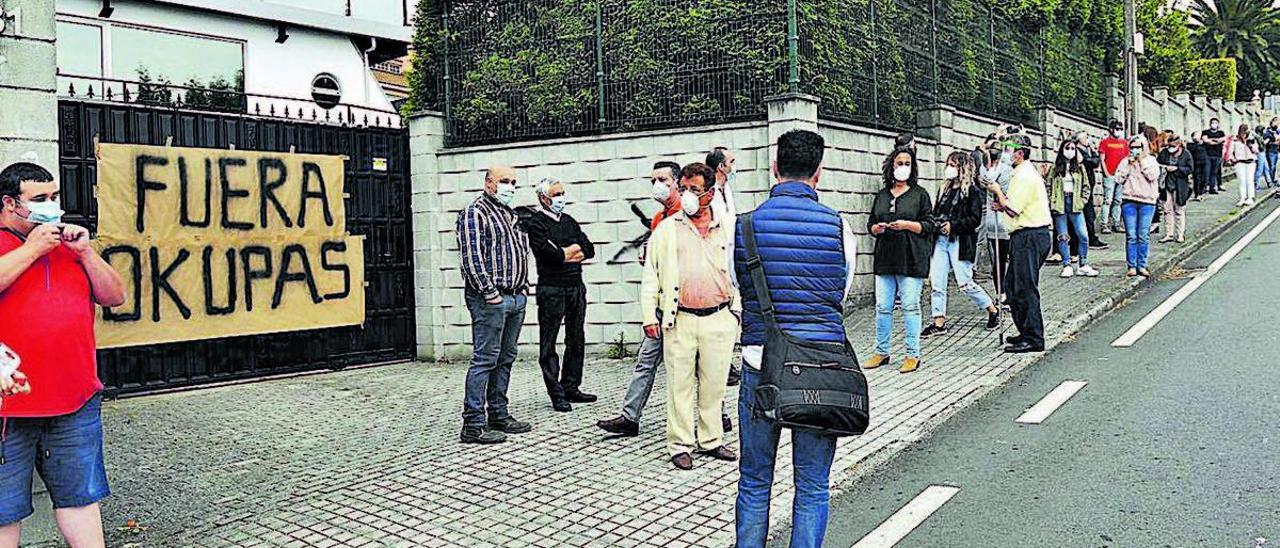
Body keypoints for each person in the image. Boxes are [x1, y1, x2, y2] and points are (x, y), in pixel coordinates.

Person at [732, 129, 854, 548]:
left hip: (759, 366)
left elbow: (739, 290)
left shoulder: (744, 227)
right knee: (814, 485)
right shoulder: (841, 228)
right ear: (819, 173)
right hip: (820, 368)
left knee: (754, 480)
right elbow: (840, 293)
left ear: (774, 168)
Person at [0, 162, 126, 548]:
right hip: (9, 408)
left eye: (54, 197)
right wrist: (34, 249)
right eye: (39, 199)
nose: (51, 206)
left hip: (75, 400)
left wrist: (86, 254)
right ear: (10, 203)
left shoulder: (69, 246)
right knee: (4, 510)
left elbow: (115, 296)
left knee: (80, 499)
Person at [640, 162, 741, 470]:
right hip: (679, 319)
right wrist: (649, 316)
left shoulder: (727, 226)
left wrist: (737, 312)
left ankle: (711, 440)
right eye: (682, 188)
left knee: (714, 384)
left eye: (694, 190)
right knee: (679, 386)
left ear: (710, 193)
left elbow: (740, 271)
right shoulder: (667, 229)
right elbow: (651, 275)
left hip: (719, 317)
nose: (686, 196)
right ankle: (680, 444)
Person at [597, 161, 681, 437]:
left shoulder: (688, 216)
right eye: (653, 180)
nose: (657, 185)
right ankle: (629, 417)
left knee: (692, 365)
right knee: (645, 362)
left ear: (677, 182)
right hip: (659, 306)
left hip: (683, 306)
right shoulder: (659, 218)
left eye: (663, 180)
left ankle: (719, 415)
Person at [457, 166, 533, 444]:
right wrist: (490, 293)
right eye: (504, 181)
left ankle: (499, 414)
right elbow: (472, 259)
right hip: (491, 298)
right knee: (485, 359)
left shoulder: (510, 214)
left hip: (515, 296)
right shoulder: (475, 213)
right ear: (488, 183)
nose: (510, 186)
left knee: (506, 357)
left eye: (513, 182)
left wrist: (523, 287)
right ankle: (473, 424)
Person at [518, 178, 596, 413]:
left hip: (575, 286)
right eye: (557, 194)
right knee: (549, 341)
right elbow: (549, 254)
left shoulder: (570, 221)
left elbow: (588, 249)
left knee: (576, 337)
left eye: (563, 192)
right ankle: (556, 393)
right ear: (544, 198)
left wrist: (565, 253)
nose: (562, 197)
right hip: (551, 289)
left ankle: (571, 385)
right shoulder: (537, 223)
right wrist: (566, 253)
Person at [864, 146, 934, 373]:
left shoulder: (920, 194)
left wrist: (907, 225)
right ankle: (881, 351)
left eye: (907, 163)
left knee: (910, 306)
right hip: (886, 256)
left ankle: (913, 354)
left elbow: (928, 225)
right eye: (898, 163)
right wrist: (877, 228)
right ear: (890, 166)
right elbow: (871, 223)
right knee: (883, 306)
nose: (902, 167)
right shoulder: (882, 195)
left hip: (911, 257)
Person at [983, 135, 1052, 353]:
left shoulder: (1024, 176)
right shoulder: (1020, 173)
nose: (1005, 153)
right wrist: (1001, 204)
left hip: (1030, 235)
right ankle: (1025, 330)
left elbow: (1014, 209)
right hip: (1024, 236)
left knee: (1025, 287)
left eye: (1008, 149)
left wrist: (998, 193)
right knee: (1013, 287)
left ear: (1019, 153)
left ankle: (1034, 337)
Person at [922, 151, 999, 339]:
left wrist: (954, 226)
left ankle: (991, 309)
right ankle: (938, 321)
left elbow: (974, 219)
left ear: (962, 168)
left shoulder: (971, 191)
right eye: (948, 164)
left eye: (954, 165)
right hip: (940, 240)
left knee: (965, 282)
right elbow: (935, 212)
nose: (950, 168)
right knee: (937, 282)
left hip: (959, 241)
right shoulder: (944, 190)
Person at [705, 147, 738, 432]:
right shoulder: (709, 194)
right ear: (720, 167)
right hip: (713, 266)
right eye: (730, 162)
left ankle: (728, 366)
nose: (733, 165)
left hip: (730, 264)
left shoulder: (727, 191)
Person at [1048, 139, 1100, 278]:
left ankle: (1083, 264)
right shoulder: (1055, 168)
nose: (1070, 150)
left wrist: (1082, 201)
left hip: (1075, 203)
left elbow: (1086, 186)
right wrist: (1051, 201)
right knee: (1063, 236)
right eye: (1067, 148)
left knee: (1083, 235)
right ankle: (1066, 264)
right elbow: (1048, 186)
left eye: (1073, 148)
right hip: (1060, 203)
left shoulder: (1080, 167)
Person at [1114, 136, 1160, 277]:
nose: (1135, 150)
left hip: (1147, 201)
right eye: (1132, 147)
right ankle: (1132, 266)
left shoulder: (1151, 160)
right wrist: (1128, 165)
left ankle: (1142, 265)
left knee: (1143, 234)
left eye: (1138, 147)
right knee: (1131, 235)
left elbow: (1153, 176)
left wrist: (1141, 162)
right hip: (1129, 200)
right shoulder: (1125, 161)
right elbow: (1118, 179)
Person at [979, 140, 1014, 300]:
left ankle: (1002, 293)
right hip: (1005, 219)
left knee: (999, 259)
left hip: (994, 219)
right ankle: (1004, 292)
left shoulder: (983, 170)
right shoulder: (1007, 169)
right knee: (1006, 259)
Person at [1157, 135, 1194, 244]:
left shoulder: (1186, 154)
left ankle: (1180, 234)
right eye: (1169, 145)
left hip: (1180, 185)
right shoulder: (1164, 153)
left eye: (1172, 146)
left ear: (1179, 145)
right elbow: (1157, 163)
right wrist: (1164, 167)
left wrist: (1177, 169)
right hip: (1166, 184)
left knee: (1179, 209)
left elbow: (1190, 169)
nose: (1170, 148)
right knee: (1167, 209)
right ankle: (1169, 233)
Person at [1075, 131, 1108, 249]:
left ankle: (1090, 237)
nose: (1087, 139)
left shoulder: (1089, 150)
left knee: (1090, 213)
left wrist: (1092, 153)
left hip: (1089, 185)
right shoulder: (1076, 151)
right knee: (1088, 213)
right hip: (1081, 187)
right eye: (1085, 137)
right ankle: (1090, 238)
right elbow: (1088, 162)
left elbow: (1096, 161)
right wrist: (1089, 160)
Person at [1098, 120, 1130, 233]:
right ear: (1110, 129)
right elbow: (1102, 159)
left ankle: (1116, 224)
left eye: (1121, 129)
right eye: (1117, 128)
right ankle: (1104, 224)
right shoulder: (1105, 142)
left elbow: (1127, 159)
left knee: (1118, 201)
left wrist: (1126, 174)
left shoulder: (1124, 143)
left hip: (1121, 176)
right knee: (1108, 200)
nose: (1119, 131)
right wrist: (1106, 172)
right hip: (1110, 175)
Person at [1229, 123, 1259, 207]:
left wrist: (1251, 145)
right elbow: (1231, 151)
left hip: (1251, 162)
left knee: (1250, 180)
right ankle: (1243, 197)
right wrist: (1233, 159)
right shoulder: (1235, 140)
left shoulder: (1252, 140)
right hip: (1240, 162)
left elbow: (1256, 151)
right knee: (1242, 180)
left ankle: (1250, 197)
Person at [1202, 118, 1227, 194]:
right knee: (1207, 171)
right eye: (1213, 123)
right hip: (1207, 154)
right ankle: (1205, 186)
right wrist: (1217, 141)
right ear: (1210, 124)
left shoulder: (1221, 132)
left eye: (1216, 123)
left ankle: (1212, 188)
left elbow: (1222, 140)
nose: (1214, 124)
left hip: (1218, 154)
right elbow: (1206, 141)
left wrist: (1212, 140)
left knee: (1214, 172)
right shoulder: (1205, 132)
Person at [1188, 131, 1208, 200]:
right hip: (1195, 163)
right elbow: (1191, 150)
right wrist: (1197, 143)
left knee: (1204, 178)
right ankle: (1197, 194)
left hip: (1204, 162)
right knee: (1197, 179)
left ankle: (1202, 192)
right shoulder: (1190, 144)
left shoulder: (1204, 144)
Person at [1266, 117, 1280, 187]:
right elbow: (1266, 143)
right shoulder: (1268, 132)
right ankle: (1271, 180)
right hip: (1271, 151)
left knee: (1275, 166)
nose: (1278, 123)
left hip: (1276, 150)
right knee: (1272, 166)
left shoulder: (1277, 131)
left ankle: (1274, 179)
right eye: (1277, 122)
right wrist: (1274, 143)